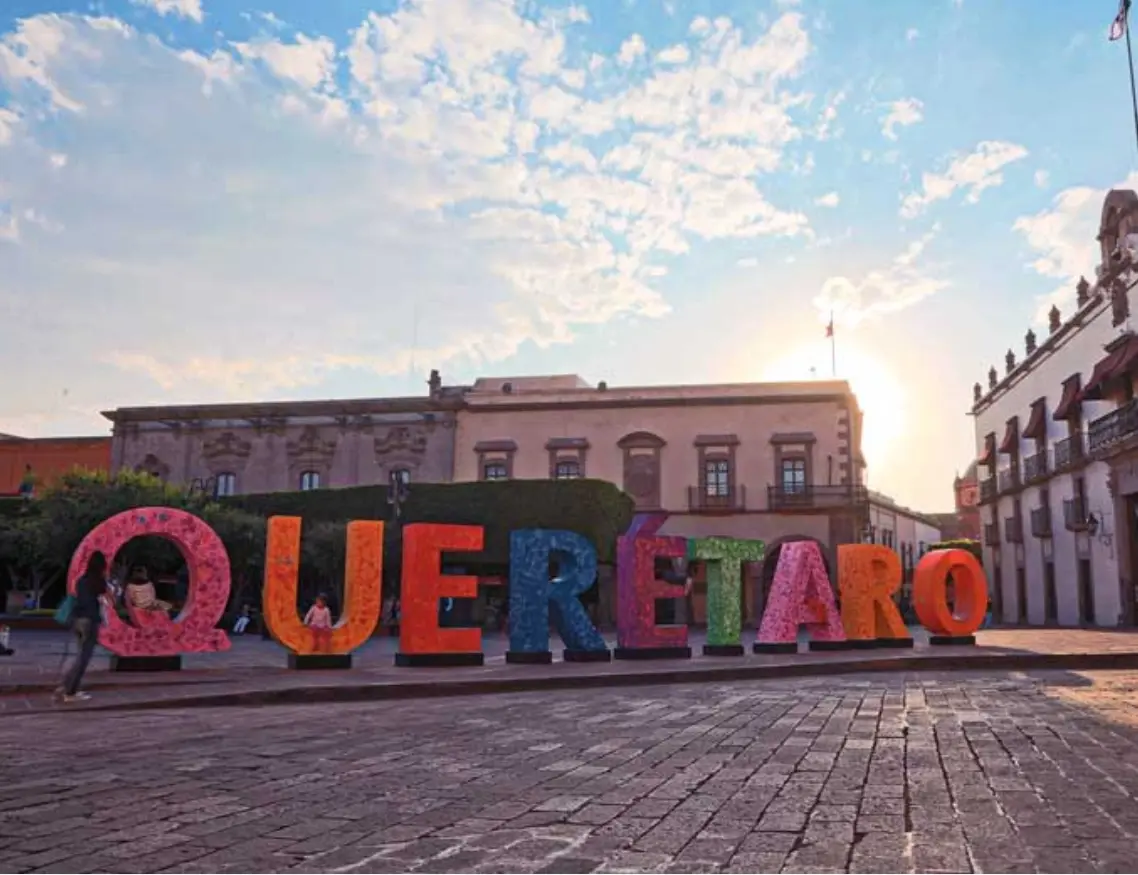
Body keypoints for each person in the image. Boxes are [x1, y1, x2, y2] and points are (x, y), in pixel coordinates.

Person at [55, 551, 109, 703]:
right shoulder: (98, 581)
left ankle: (66, 686)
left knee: (80, 656)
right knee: (84, 658)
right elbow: (105, 595)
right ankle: (70, 692)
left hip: (77, 620)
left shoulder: (81, 580)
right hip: (90, 621)